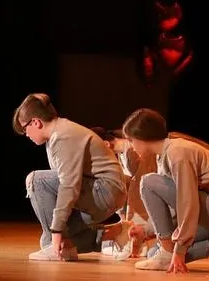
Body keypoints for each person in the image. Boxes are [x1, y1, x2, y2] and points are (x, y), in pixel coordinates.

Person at [122, 108, 209, 274]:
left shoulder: (177, 152)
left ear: (142, 137)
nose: (131, 146)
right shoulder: (165, 155)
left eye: (131, 140)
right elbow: (175, 207)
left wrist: (179, 249)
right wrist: (146, 230)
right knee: (153, 253)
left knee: (148, 182)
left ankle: (167, 252)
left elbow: (187, 200)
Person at [13, 94, 127, 262]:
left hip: (104, 190)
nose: (26, 135)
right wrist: (57, 232)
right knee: (48, 241)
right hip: (99, 192)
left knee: (36, 180)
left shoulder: (63, 136)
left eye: (24, 129)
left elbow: (68, 185)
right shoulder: (55, 136)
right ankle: (111, 235)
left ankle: (59, 246)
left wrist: (57, 230)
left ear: (35, 122)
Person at [91, 127, 157, 260]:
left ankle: (137, 239)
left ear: (106, 144)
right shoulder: (124, 152)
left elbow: (137, 186)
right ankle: (128, 234)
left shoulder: (131, 150)